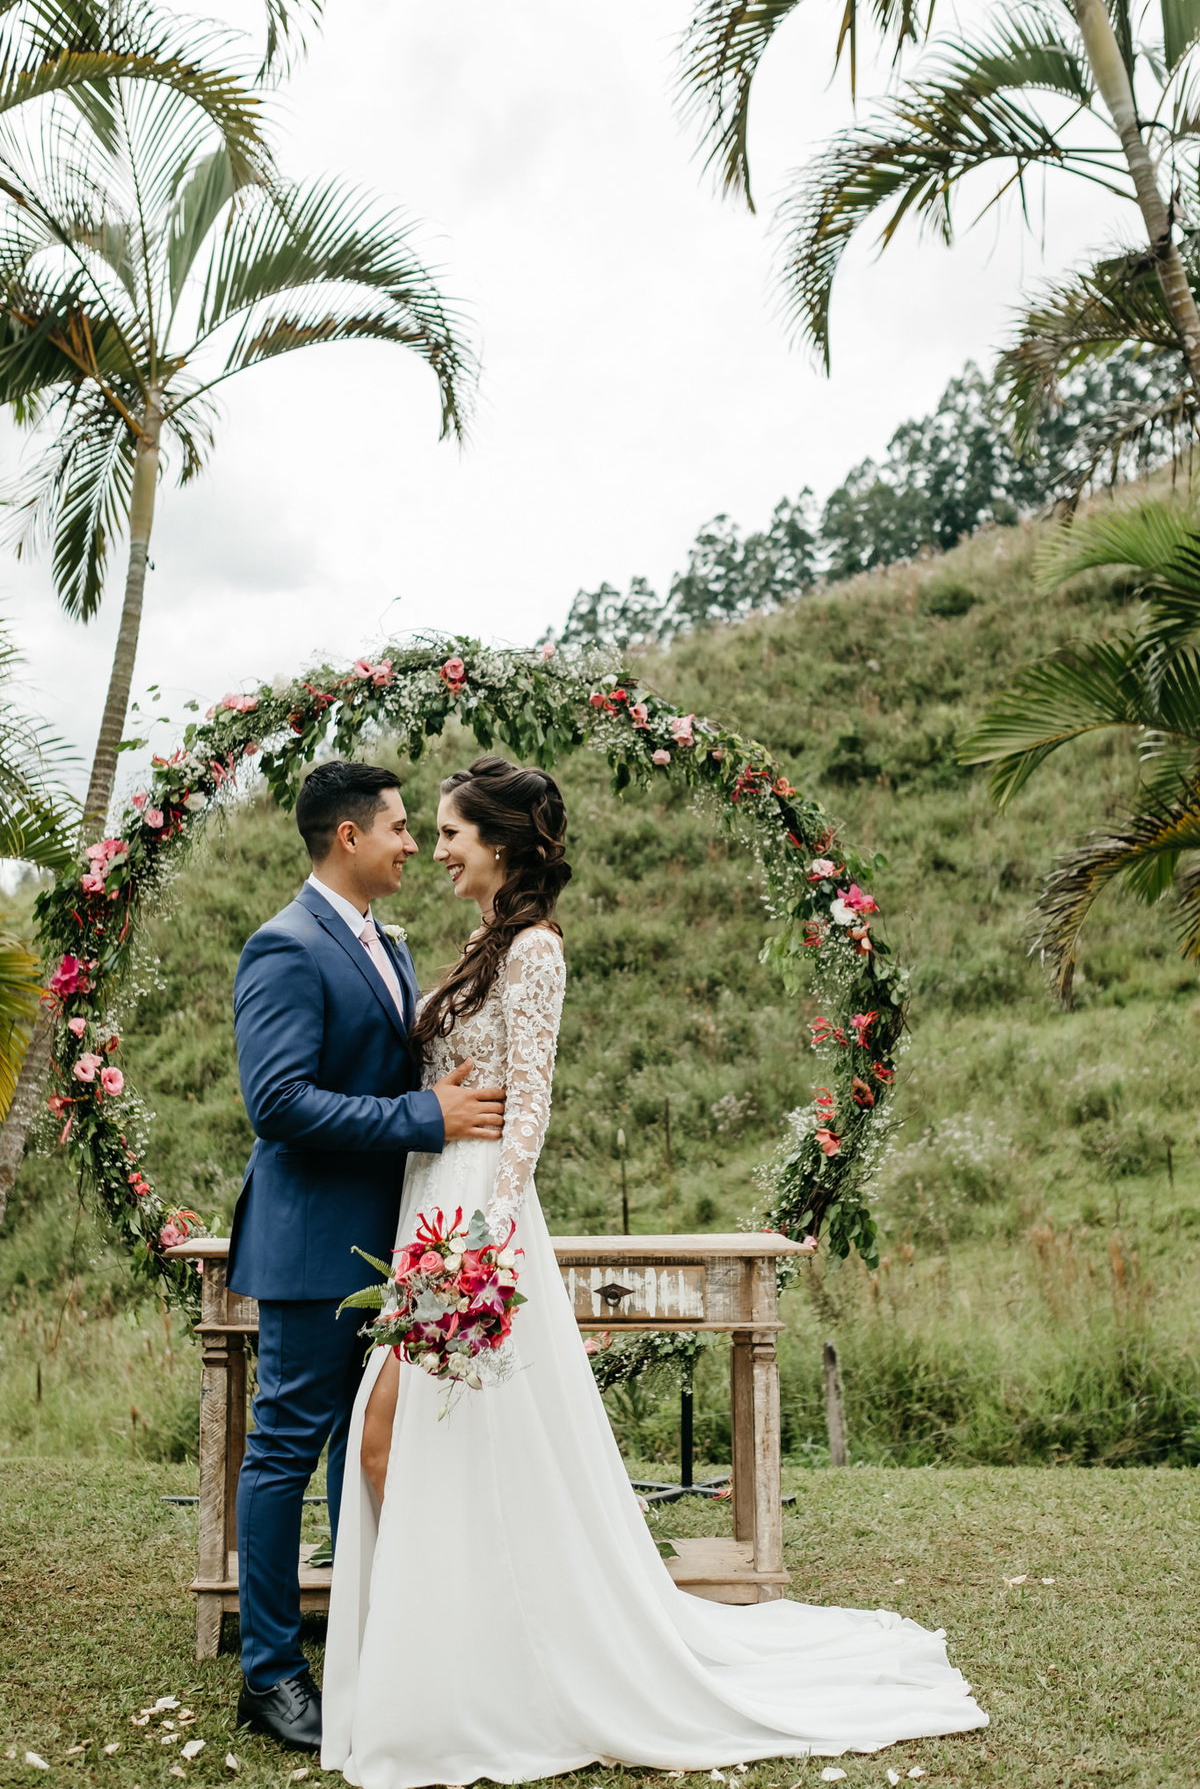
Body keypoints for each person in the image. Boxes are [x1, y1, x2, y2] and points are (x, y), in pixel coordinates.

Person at [321, 755, 988, 1787]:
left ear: (497, 841)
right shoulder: (479, 942)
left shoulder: (536, 951)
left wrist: (484, 1250)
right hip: (432, 1200)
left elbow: (532, 1105)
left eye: (449, 832)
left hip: (475, 1220)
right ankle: (464, 1650)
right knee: (411, 1437)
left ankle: (483, 1659)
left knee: (406, 1430)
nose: (435, 849)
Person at [229, 760, 508, 1752]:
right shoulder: (284, 947)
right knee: (283, 1454)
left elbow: (379, 1071)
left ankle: (367, 1646)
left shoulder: (385, 943)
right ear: (348, 837)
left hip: (387, 1249)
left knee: (369, 1447)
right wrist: (422, 1113)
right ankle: (269, 1675)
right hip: (309, 1248)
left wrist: (438, 1086)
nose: (411, 844)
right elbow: (279, 1104)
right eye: (398, 826)